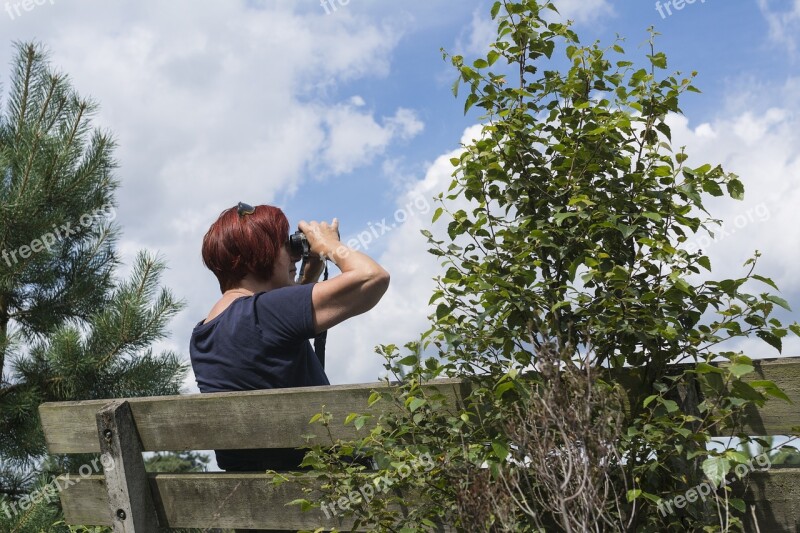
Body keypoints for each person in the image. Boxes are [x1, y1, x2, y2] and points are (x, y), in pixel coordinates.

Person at [189, 202, 390, 473]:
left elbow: (274, 335)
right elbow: (372, 277)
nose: (294, 257)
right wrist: (329, 245)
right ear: (258, 254)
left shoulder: (203, 334)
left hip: (264, 497)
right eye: (285, 247)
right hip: (325, 491)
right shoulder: (267, 312)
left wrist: (307, 276)